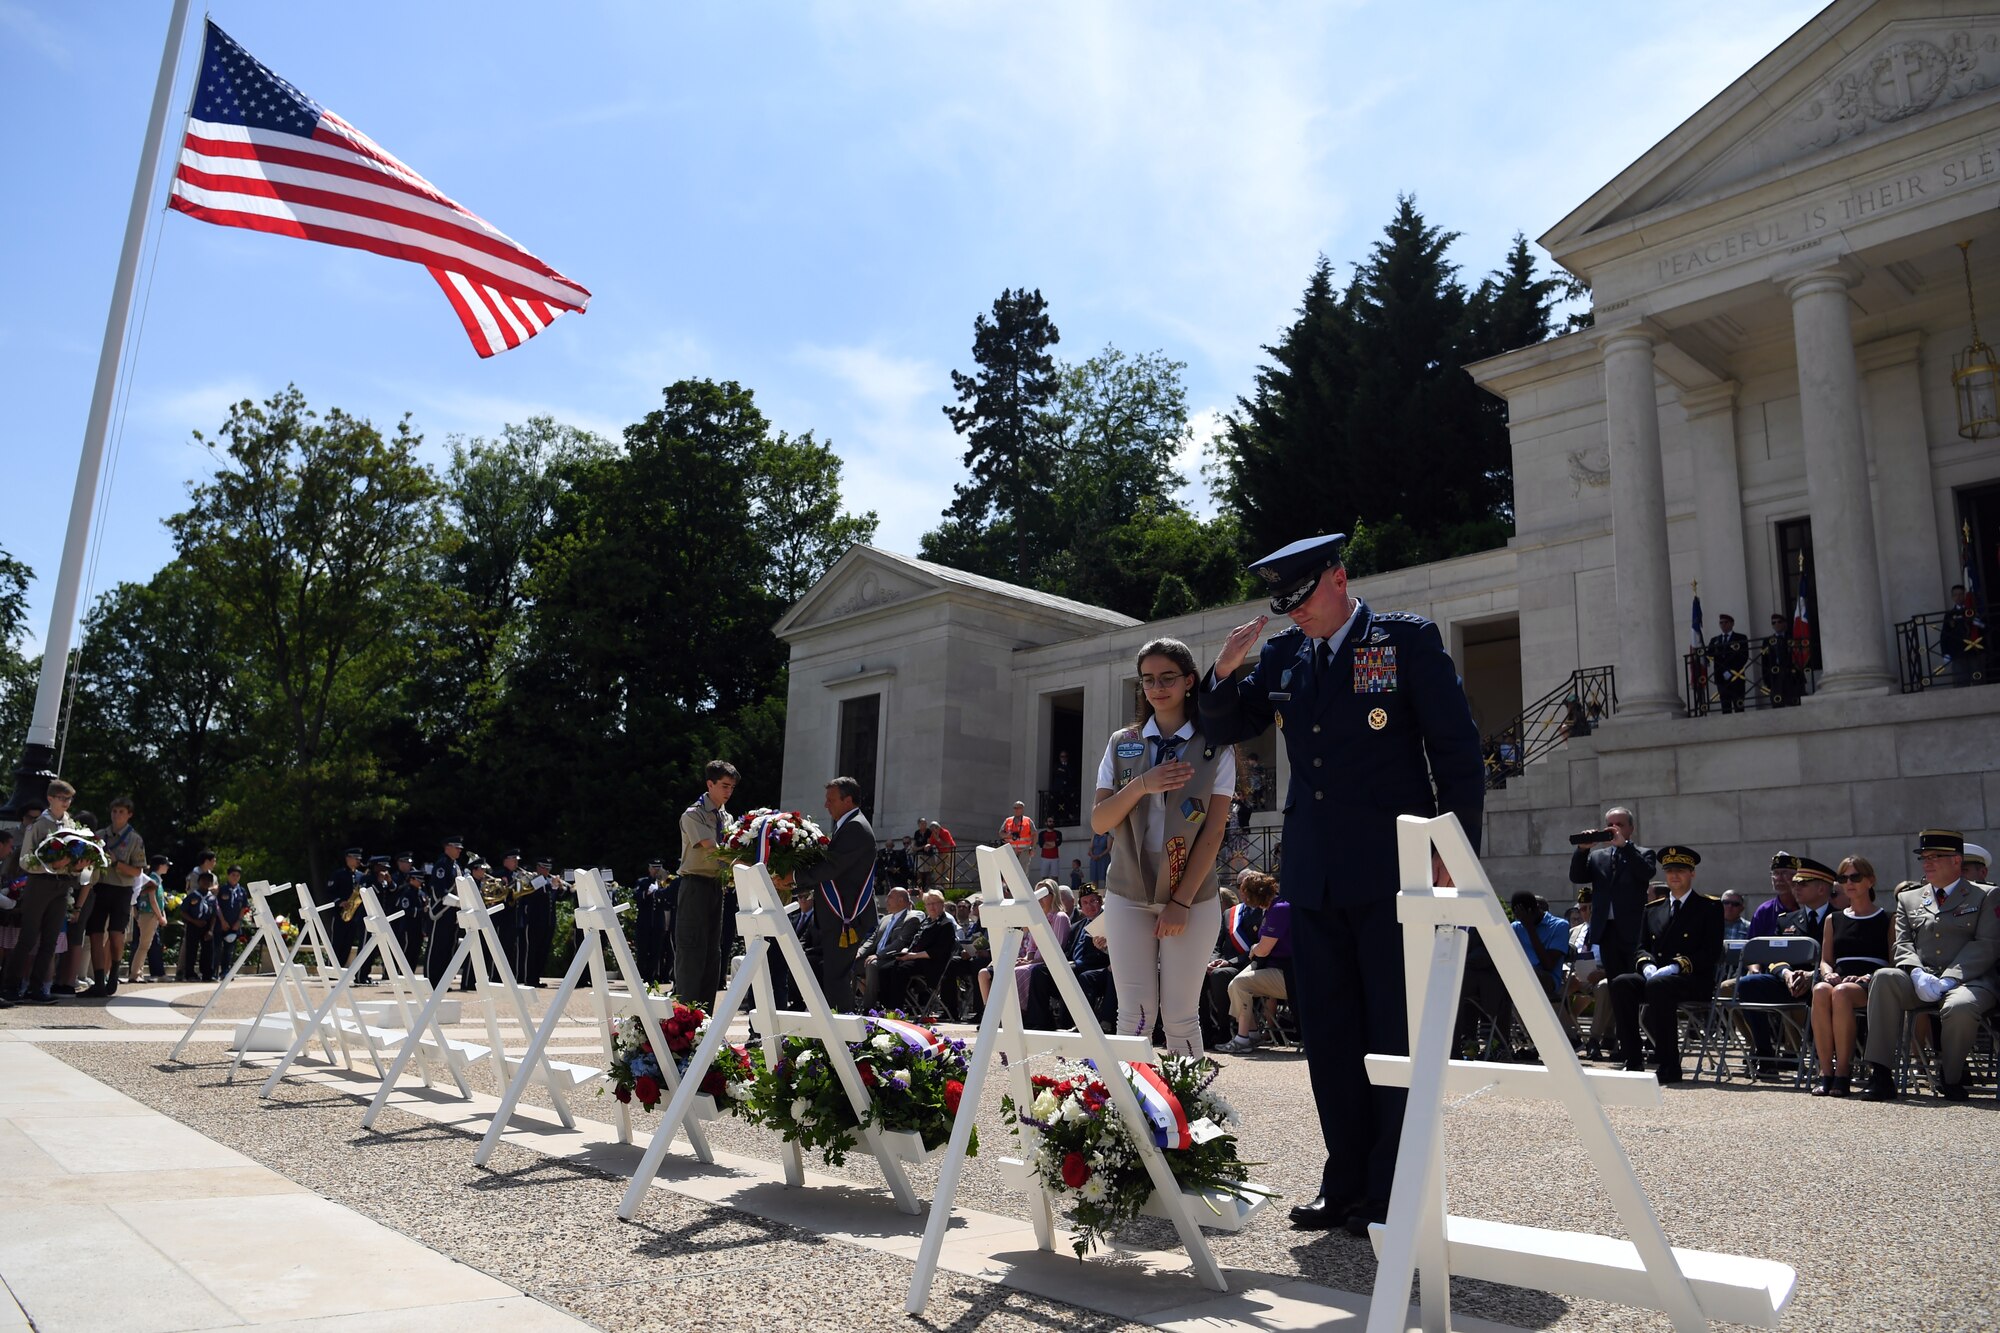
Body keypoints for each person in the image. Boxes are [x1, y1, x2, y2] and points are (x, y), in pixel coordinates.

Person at [1199, 532, 1483, 1235]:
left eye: (1304, 601)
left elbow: (1455, 745)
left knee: (1392, 1031)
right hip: (1316, 874)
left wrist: (1457, 841)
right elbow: (1226, 720)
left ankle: (1392, 1187)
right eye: (1285, 607)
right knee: (1329, 1037)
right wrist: (1222, 672)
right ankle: (1344, 1179)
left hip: (1392, 869)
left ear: (1338, 577)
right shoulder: (1287, 654)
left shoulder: (1404, 639)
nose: (1296, 617)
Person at [1093, 636, 1235, 1058]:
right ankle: (1130, 1114)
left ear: (1190, 681)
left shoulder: (1215, 745)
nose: (1157, 687)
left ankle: (1186, 1112)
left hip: (1191, 892)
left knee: (1180, 1015)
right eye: (1148, 680)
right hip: (1128, 891)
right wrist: (1142, 784)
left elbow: (1213, 833)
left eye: (1168, 678)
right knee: (1133, 1014)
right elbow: (1101, 821)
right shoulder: (1123, 742)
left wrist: (1182, 902)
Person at [1860, 830, 2000, 1101]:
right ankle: (1880, 1075)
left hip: (1970, 979)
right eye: (1924, 857)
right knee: (1884, 977)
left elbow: (1986, 945)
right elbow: (1902, 943)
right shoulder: (1909, 898)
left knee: (1959, 1006)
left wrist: (1949, 979)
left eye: (1935, 857)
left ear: (1957, 861)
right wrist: (1915, 972)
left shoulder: (1985, 895)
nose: (1927, 863)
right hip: (1920, 978)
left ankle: (1951, 1077)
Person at [1606, 845, 1723, 1083]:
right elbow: (1640, 947)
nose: (1674, 875)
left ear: (1692, 873)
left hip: (1692, 979)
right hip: (1656, 977)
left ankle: (1668, 1064)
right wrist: (1646, 965)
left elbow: (1710, 952)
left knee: (1660, 987)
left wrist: (1676, 966)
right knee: (1621, 983)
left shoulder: (1709, 907)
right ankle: (1633, 1059)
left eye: (1680, 870)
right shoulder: (1652, 909)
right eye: (1669, 870)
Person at [1810, 855, 1891, 1097]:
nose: (1849, 882)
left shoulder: (1887, 918)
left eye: (1855, 876)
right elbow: (1825, 960)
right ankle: (1826, 1072)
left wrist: (1868, 976)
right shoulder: (1833, 919)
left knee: (1842, 994)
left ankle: (1843, 1073)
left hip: (1871, 981)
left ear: (1871, 881)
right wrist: (1828, 973)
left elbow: (1893, 961)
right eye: (1843, 878)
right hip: (1840, 978)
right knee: (1821, 990)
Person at [2, 781, 86, 1004]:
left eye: (68, 799)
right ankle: (11, 986)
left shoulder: (71, 824)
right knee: (28, 937)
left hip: (62, 884)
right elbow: (25, 860)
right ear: (50, 798)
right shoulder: (38, 825)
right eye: (61, 798)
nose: (66, 803)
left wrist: (77, 866)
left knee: (50, 939)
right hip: (40, 882)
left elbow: (74, 854)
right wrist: (50, 865)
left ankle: (37, 987)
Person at [802, 775, 877, 1010]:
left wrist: (793, 878)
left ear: (848, 800)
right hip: (837, 916)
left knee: (837, 977)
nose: (826, 804)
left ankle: (841, 1037)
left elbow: (833, 867)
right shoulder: (848, 824)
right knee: (832, 975)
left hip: (846, 916)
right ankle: (834, 1031)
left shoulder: (855, 826)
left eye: (831, 799)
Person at [673, 759, 739, 1007]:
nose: (728, 791)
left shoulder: (727, 817)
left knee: (713, 954)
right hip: (695, 885)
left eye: (732, 787)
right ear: (709, 784)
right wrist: (744, 860)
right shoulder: (694, 814)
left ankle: (706, 1021)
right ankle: (685, 1018)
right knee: (692, 951)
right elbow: (712, 848)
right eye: (724, 785)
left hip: (716, 886)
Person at [1569, 808, 1655, 984]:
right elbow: (1577, 877)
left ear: (1631, 828)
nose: (1614, 829)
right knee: (1615, 985)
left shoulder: (1643, 853)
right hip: (1607, 931)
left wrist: (1625, 846)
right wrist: (1583, 850)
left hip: (1633, 931)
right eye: (1609, 825)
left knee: (1634, 981)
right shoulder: (1598, 857)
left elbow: (1646, 873)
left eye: (1619, 825)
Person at [77, 795, 145, 998]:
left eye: (121, 812)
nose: (117, 815)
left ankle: (113, 973)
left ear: (129, 815)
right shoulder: (99, 835)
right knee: (95, 934)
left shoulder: (135, 839)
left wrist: (116, 863)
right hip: (100, 888)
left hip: (121, 891)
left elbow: (137, 871)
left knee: (116, 936)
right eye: (114, 811)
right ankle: (98, 981)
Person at [1217, 888, 1291, 1053]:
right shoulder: (1272, 907)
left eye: (1245, 893)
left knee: (1239, 984)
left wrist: (1254, 948)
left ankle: (1243, 1039)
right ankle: (1251, 1033)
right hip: (1270, 964)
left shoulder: (1280, 908)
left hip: (1287, 973)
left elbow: (1263, 950)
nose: (1242, 897)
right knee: (1234, 985)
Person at [1203, 871, 1270, 1048]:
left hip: (1249, 964)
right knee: (1200, 975)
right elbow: (1217, 943)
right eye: (1241, 887)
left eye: (1245, 888)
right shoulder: (1230, 914)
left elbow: (1258, 947)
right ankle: (1205, 1030)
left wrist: (1229, 962)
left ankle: (1224, 1030)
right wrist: (1213, 960)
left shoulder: (1264, 913)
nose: (1242, 892)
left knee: (1221, 974)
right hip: (1225, 963)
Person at [868, 889, 955, 1012]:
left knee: (899, 970)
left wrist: (912, 956)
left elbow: (938, 952)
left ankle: (895, 1009)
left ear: (942, 904)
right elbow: (914, 941)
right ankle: (885, 1007)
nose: (932, 907)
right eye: (929, 904)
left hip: (931, 963)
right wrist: (905, 950)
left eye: (935, 903)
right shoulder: (926, 922)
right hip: (914, 958)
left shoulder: (946, 925)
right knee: (884, 969)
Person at [858, 887, 922, 1007]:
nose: (886, 900)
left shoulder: (911, 919)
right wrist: (860, 952)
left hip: (889, 959)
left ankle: (868, 1007)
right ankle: (847, 1006)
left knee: (872, 965)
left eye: (890, 897)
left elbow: (899, 944)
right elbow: (872, 939)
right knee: (849, 963)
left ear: (901, 900)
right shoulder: (885, 919)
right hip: (873, 956)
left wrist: (878, 955)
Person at [128, 855, 170, 985]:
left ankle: (137, 972)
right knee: (144, 945)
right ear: (160, 865)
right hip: (148, 914)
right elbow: (152, 900)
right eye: (166, 864)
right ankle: (135, 973)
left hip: (151, 914)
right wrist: (160, 916)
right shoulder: (152, 879)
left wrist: (162, 915)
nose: (167, 867)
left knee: (145, 945)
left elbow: (159, 900)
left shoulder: (156, 879)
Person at [634, 857, 673, 985]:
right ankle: (640, 977)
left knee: (656, 952)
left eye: (658, 868)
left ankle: (651, 978)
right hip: (644, 923)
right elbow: (637, 896)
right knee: (642, 951)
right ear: (649, 869)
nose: (656, 871)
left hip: (658, 923)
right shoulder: (643, 882)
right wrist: (647, 893)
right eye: (654, 868)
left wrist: (662, 889)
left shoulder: (665, 882)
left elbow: (670, 898)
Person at [211, 865, 251, 979]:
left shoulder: (242, 891)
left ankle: (225, 971)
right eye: (233, 875)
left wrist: (238, 922)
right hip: (221, 923)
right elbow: (217, 905)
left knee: (229, 950)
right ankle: (213, 972)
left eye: (238, 875)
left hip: (234, 925)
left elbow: (244, 907)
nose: (235, 877)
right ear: (228, 875)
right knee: (217, 948)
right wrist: (222, 921)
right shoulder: (222, 889)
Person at [1706, 613, 1750, 713]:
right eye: (1721, 623)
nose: (1723, 625)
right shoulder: (1715, 640)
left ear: (1732, 624)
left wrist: (1730, 671)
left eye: (1726, 622)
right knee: (1725, 707)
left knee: (1739, 706)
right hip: (1720, 677)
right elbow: (1710, 655)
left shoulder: (1741, 637)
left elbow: (1744, 657)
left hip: (1736, 676)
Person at [1002, 801, 1035, 875]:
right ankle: (1009, 886)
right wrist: (1009, 835)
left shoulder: (1028, 820)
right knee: (1010, 872)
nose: (1016, 810)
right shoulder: (1008, 820)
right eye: (1015, 808)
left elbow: (1034, 834)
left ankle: (1022, 886)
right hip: (1011, 850)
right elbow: (1001, 833)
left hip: (1024, 851)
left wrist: (1033, 848)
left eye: (1018, 808)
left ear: (1022, 809)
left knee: (1023, 873)